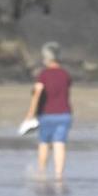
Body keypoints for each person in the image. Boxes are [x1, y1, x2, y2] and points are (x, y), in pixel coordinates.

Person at [19, 43, 73, 181]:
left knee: (44, 143)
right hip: (65, 114)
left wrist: (30, 114)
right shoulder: (65, 75)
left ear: (46, 58)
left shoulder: (43, 75)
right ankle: (59, 175)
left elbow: (37, 93)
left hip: (47, 114)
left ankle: (41, 172)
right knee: (59, 144)